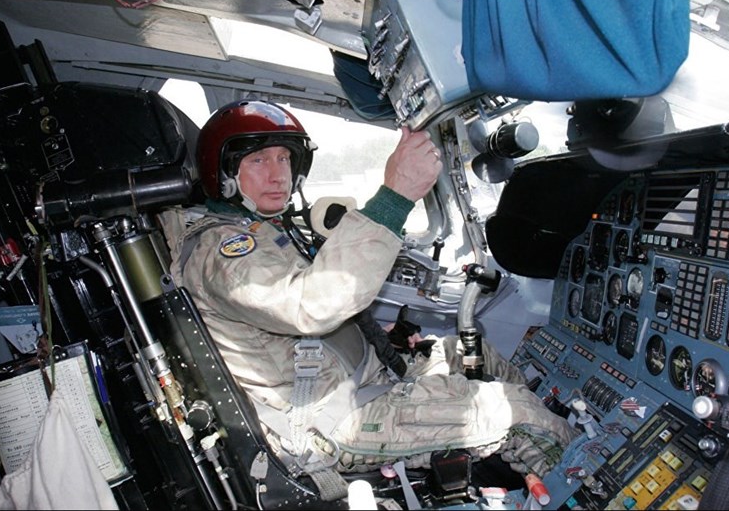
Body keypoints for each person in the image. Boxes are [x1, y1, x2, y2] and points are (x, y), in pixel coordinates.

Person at [161, 99, 576, 501]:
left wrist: (381, 341)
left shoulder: (259, 228)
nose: (277, 174)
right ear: (224, 172)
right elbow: (311, 305)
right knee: (521, 416)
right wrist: (395, 197)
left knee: (473, 353)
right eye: (258, 160)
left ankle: (538, 460)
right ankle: (583, 483)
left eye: (284, 159)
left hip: (355, 381)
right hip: (331, 419)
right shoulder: (223, 250)